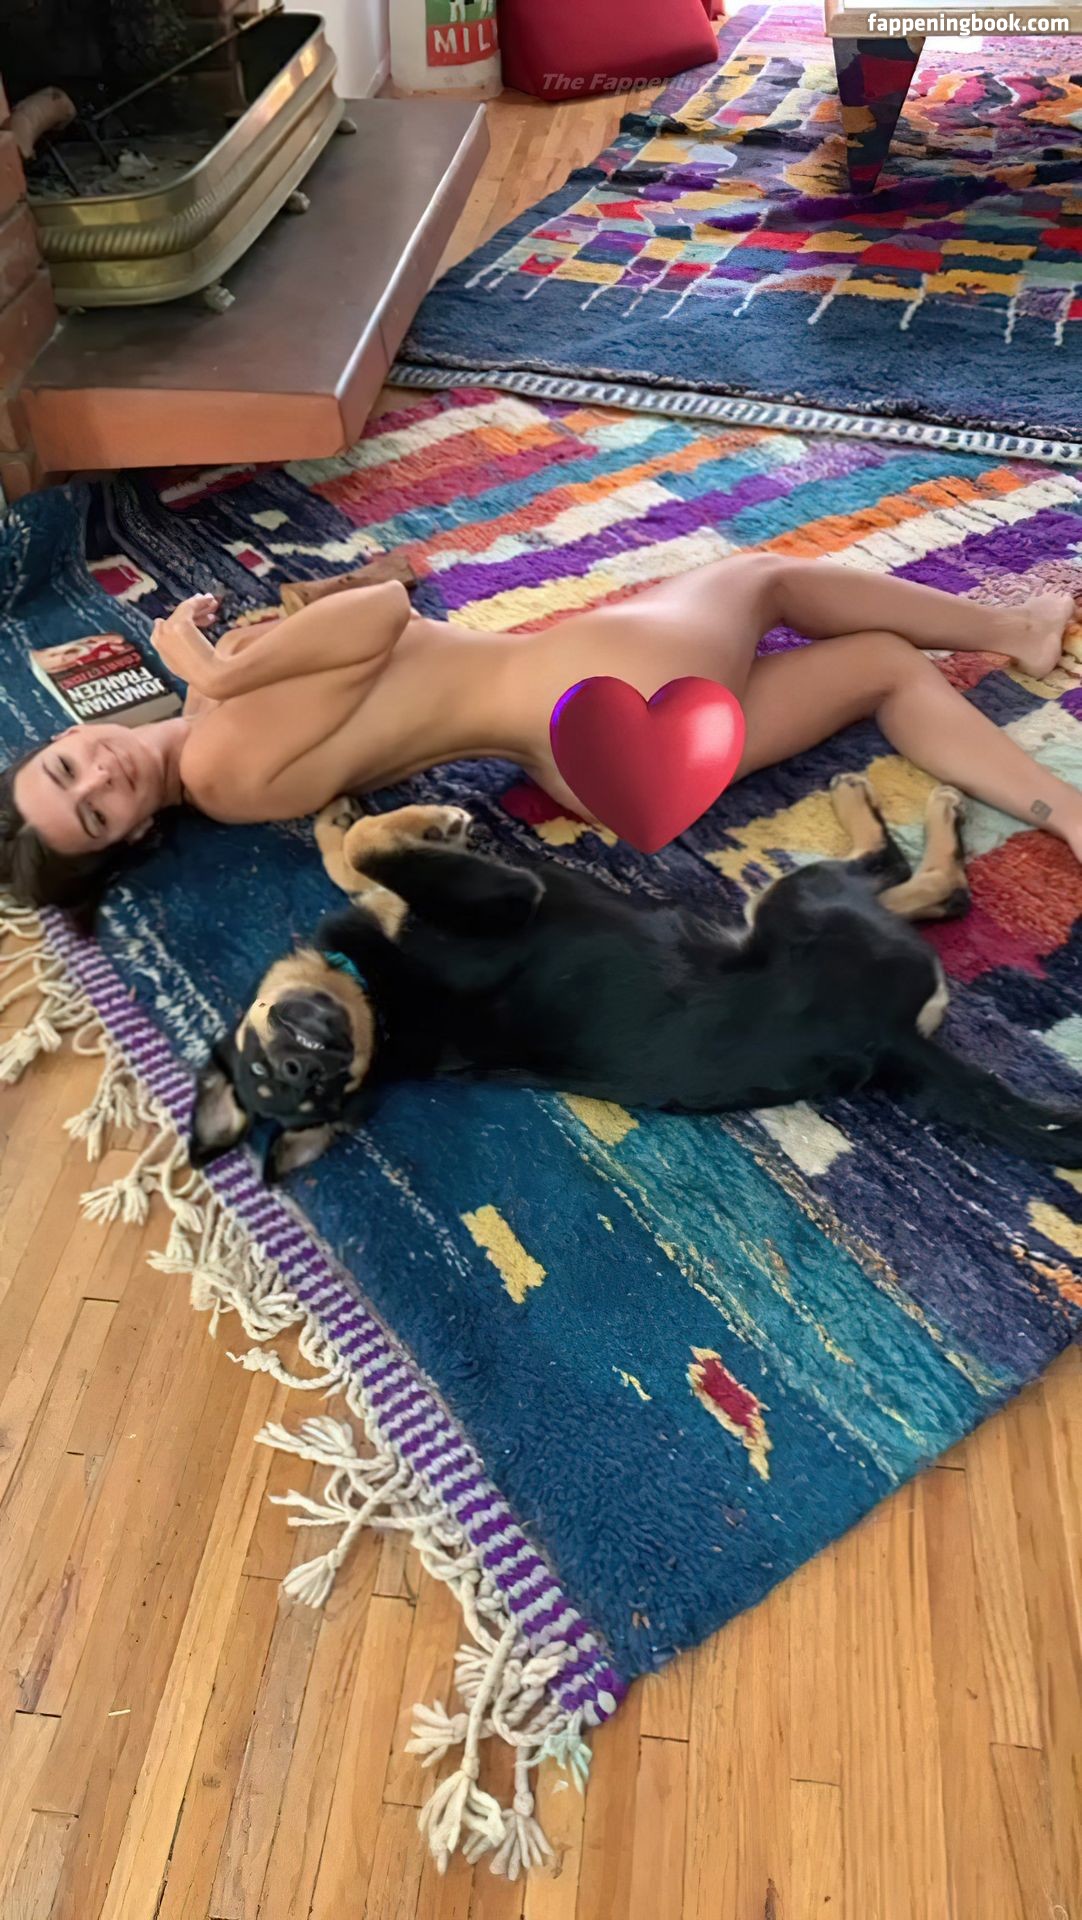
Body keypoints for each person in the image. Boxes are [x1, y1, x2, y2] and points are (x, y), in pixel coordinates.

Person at [2, 554, 1080, 924]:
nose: (101, 772)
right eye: (95, 811)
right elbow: (381, 614)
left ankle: (1068, 814)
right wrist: (222, 670)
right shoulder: (216, 759)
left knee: (881, 665)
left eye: (67, 764)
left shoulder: (213, 744)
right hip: (601, 695)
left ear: (66, 732)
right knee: (761, 577)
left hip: (590, 773)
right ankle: (1013, 631)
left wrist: (225, 670)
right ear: (132, 836)